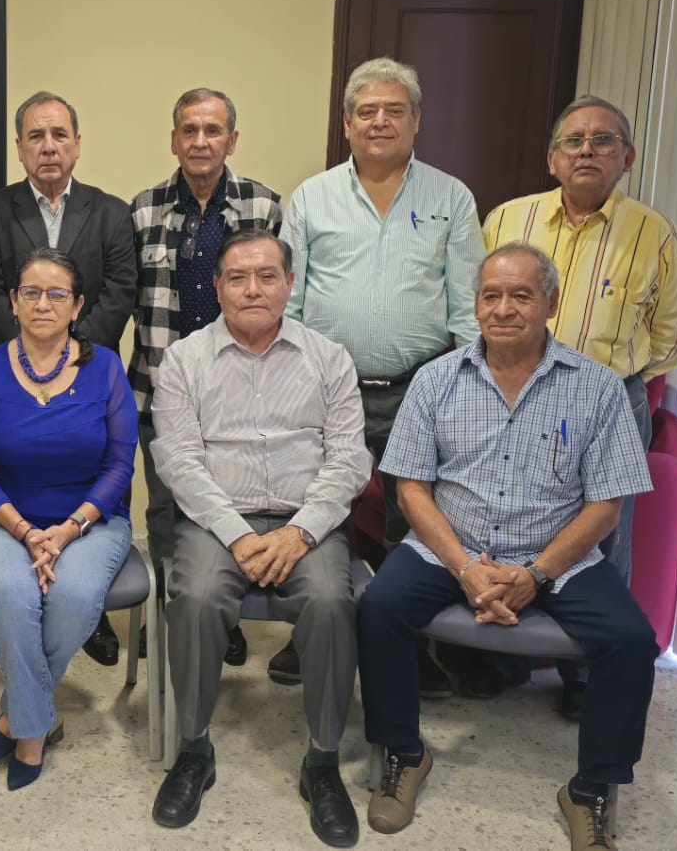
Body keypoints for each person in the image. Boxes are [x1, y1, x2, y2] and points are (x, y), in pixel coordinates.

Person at [357, 245, 657, 851]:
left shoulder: (596, 388)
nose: (503, 309)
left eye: (520, 296)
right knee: (378, 609)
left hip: (558, 558)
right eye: (491, 296)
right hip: (451, 545)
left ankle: (591, 788)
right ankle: (405, 755)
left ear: (549, 303)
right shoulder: (436, 380)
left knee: (630, 641)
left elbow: (606, 506)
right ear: (476, 306)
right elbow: (411, 489)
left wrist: (536, 575)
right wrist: (465, 569)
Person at [149, 229, 371, 844]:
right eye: (239, 278)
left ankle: (322, 762)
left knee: (331, 603)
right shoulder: (185, 360)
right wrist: (238, 536)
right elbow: (179, 461)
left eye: (267, 276)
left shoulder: (329, 358)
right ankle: (194, 750)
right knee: (192, 599)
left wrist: (300, 533)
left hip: (308, 520)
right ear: (217, 287)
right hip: (217, 520)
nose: (253, 289)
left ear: (290, 284)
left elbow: (349, 460)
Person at [481, 95, 677, 715]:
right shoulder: (506, 220)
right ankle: (503, 658)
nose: (586, 151)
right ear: (552, 158)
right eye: (573, 141)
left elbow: (674, 333)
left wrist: (612, 381)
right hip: (512, 394)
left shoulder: (653, 234)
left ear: (625, 158)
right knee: (508, 518)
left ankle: (586, 676)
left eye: (603, 141)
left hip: (607, 401)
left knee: (605, 540)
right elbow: (487, 303)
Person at [279, 56, 485, 691]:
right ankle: (310, 634)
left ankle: (412, 645)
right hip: (328, 385)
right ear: (347, 123)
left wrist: (466, 388)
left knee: (415, 520)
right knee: (320, 511)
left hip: (421, 385)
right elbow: (290, 300)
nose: (380, 121)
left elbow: (468, 308)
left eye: (395, 110)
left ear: (417, 120)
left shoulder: (451, 198)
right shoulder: (311, 198)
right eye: (367, 111)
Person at [0, 248, 137, 790]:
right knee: (12, 595)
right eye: (30, 292)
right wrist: (26, 531)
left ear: (77, 304)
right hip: (1, 518)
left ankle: (16, 713)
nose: (42, 303)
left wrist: (69, 528)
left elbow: (120, 463)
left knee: (76, 596)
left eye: (57, 293)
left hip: (91, 520)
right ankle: (36, 729)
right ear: (12, 302)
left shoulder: (105, 366)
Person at [0, 91, 135, 667]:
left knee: (90, 467)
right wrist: (34, 341)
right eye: (35, 136)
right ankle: (14, 614)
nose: (48, 146)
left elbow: (119, 289)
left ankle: (89, 615)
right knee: (17, 471)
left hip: (87, 373)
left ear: (77, 145)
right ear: (19, 148)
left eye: (59, 135)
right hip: (13, 371)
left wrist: (71, 346)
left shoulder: (111, 211)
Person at [130, 88, 283, 670]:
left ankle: (229, 619)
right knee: (167, 510)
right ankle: (175, 613)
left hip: (242, 392)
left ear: (232, 140)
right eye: (189, 130)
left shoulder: (263, 207)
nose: (200, 141)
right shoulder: (142, 209)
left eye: (212, 130)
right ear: (174, 139)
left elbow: (274, 298)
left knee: (234, 505)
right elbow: (128, 300)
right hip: (161, 386)